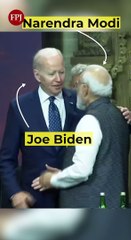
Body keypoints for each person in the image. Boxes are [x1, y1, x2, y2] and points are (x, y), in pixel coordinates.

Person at [32, 64, 130, 208]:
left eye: (78, 86)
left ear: (85, 89)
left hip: (91, 210)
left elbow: (82, 170)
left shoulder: (90, 120)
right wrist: (66, 173)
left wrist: (52, 179)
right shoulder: (119, 115)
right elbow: (103, 160)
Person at [0, 48, 81, 208]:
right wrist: (15, 193)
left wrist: (128, 120)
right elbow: (7, 159)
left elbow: (102, 133)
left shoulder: (79, 101)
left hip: (73, 198)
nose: (59, 79)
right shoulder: (20, 107)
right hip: (35, 200)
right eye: (52, 74)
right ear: (37, 75)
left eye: (62, 72)